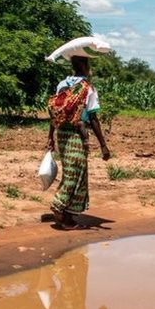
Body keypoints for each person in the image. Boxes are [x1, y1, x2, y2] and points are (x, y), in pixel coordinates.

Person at [47, 55, 111, 230]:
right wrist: (103, 145)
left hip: (62, 133)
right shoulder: (88, 88)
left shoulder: (62, 84)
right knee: (76, 174)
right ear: (83, 65)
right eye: (88, 63)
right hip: (76, 134)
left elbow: (55, 113)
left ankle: (67, 215)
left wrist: (50, 137)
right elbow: (93, 118)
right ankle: (60, 208)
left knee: (73, 172)